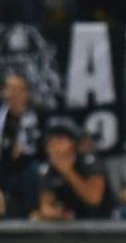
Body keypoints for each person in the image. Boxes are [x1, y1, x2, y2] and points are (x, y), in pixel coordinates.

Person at [38, 118, 114, 219]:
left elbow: (94, 199)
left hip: (105, 223)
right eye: (50, 140)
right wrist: (51, 212)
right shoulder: (49, 169)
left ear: (73, 142)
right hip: (72, 227)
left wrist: (68, 172)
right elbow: (46, 204)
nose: (54, 144)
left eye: (60, 139)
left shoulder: (89, 162)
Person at [0, 73, 43, 218]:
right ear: (3, 92)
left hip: (31, 167)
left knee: (32, 169)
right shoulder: (1, 115)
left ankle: (34, 212)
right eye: (11, 89)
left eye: (20, 89)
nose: (15, 94)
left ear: (27, 93)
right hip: (4, 167)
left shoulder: (40, 115)